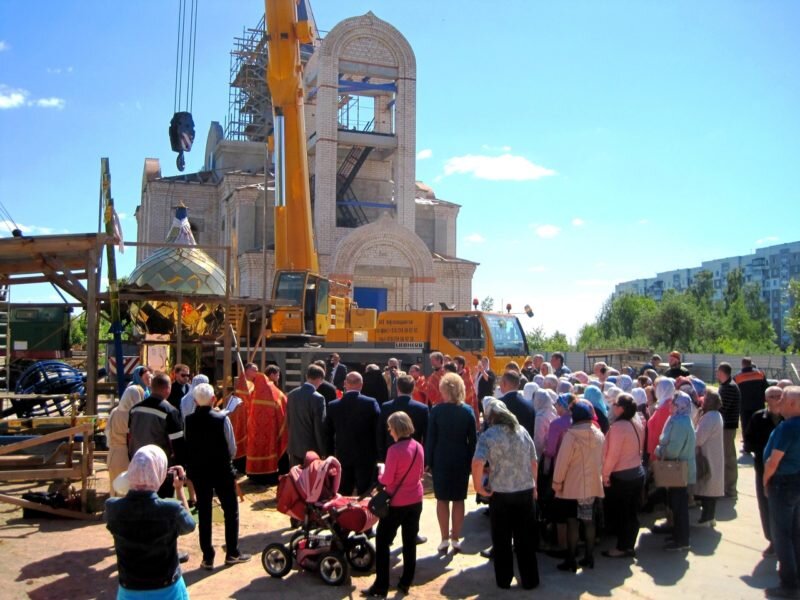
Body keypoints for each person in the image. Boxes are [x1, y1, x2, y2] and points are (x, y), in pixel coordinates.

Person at [105, 445, 195, 599]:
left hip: (130, 588)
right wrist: (179, 490)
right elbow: (190, 525)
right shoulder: (171, 509)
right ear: (159, 472)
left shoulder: (113, 507)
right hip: (167, 588)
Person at [472, 400, 540, 590]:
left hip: (501, 493)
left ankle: (503, 580)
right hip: (525, 490)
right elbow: (534, 461)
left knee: (501, 539)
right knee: (525, 538)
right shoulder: (522, 431)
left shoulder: (489, 435)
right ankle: (530, 580)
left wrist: (478, 487)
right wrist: (535, 486)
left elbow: (477, 463)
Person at [184, 383, 251, 570]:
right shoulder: (222, 419)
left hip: (200, 472)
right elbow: (232, 448)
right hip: (222, 470)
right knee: (231, 511)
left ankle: (208, 556)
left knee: (204, 512)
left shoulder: (188, 420)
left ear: (196, 401)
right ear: (214, 399)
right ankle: (232, 552)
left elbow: (189, 445)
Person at [362, 412, 425, 598]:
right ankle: (406, 581)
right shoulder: (418, 446)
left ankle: (381, 585)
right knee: (409, 541)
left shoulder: (394, 451)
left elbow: (388, 479)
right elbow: (420, 472)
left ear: (396, 429)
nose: (389, 432)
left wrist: (380, 475)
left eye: (390, 428)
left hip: (397, 502)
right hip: (416, 499)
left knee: (382, 541)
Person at [551, 399, 605, 571]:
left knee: (572, 523)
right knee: (589, 522)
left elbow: (562, 463)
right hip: (591, 486)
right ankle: (589, 557)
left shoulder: (571, 436)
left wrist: (556, 483)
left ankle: (571, 559)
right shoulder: (599, 434)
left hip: (572, 487)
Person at [426, 372, 477, 553]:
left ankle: (444, 539)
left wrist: (428, 461)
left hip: (441, 459)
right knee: (458, 499)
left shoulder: (437, 411)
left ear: (443, 389)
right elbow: (473, 440)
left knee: (442, 499)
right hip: (461, 459)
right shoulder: (468, 411)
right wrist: (473, 463)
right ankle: (456, 538)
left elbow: (430, 439)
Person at [763, 386, 800, 599]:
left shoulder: (788, 427)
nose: (779, 402)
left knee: (781, 535)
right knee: (795, 531)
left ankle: (789, 584)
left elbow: (773, 461)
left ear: (793, 404)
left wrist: (766, 480)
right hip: (795, 482)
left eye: (783, 399)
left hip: (783, 484)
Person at [128, 372, 185, 499]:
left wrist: (131, 458)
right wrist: (180, 467)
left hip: (137, 464)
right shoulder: (170, 411)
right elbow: (178, 444)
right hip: (161, 469)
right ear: (167, 388)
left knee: (139, 502)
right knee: (162, 504)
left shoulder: (135, 409)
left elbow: (130, 437)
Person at [602, 393, 645, 558]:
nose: (613, 407)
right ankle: (628, 545)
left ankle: (622, 547)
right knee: (632, 513)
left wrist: (605, 475)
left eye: (616, 404)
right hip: (636, 472)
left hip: (623, 476)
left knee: (623, 513)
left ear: (622, 408)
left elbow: (613, 455)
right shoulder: (636, 423)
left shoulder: (619, 427)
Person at [744, 385, 784, 556]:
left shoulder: (789, 418)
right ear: (766, 399)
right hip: (763, 467)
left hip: (786, 470)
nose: (776, 398)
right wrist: (766, 451)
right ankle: (772, 540)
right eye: (772, 395)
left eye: (779, 395)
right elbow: (748, 442)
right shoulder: (758, 417)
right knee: (765, 505)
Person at [654, 392, 697, 552]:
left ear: (680, 405)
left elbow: (673, 451)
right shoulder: (681, 419)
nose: (670, 405)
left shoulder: (679, 423)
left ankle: (682, 540)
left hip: (678, 471)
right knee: (676, 504)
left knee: (679, 506)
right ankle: (678, 534)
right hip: (679, 470)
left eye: (673, 403)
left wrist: (659, 450)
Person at [326, 371, 381, 495]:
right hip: (366, 456)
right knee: (364, 493)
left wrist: (329, 454)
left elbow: (328, 434)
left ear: (345, 384)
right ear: (361, 385)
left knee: (343, 492)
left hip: (343, 455)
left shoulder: (333, 406)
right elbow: (378, 430)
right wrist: (379, 454)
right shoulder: (370, 403)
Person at [246, 369, 288, 480]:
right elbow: (284, 405)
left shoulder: (254, 394)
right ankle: (270, 475)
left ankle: (254, 475)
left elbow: (249, 413)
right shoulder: (274, 392)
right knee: (270, 448)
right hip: (270, 430)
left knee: (256, 450)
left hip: (255, 431)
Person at [376, 375, 429, 462]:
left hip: (391, 453)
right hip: (413, 454)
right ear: (413, 388)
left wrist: (382, 456)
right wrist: (424, 458)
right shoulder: (422, 409)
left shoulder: (386, 406)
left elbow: (380, 432)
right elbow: (426, 435)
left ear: (398, 388)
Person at [693, 388, 724, 527]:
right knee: (711, 487)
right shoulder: (715, 415)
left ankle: (706, 518)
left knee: (707, 488)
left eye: (705, 399)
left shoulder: (709, 417)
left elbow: (699, 439)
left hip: (707, 455)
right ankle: (710, 517)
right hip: (713, 455)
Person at [285, 364, 327, 466]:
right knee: (309, 479)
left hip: (294, 446)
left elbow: (288, 420)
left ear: (307, 376)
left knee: (295, 477)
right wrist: (323, 451)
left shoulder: (291, 394)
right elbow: (319, 427)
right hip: (311, 449)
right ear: (320, 379)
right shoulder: (318, 398)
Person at [107, 385, 144, 496]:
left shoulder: (114, 412)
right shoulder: (135, 415)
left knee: (115, 488)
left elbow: (108, 433)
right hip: (128, 456)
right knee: (127, 491)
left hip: (113, 454)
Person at [717, 362, 741, 498]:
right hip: (727, 426)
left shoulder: (729, 388)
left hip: (728, 427)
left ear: (721, 372)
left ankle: (730, 489)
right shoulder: (726, 386)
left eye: (717, 372)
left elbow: (722, 408)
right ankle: (727, 487)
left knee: (729, 458)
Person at [734, 357, 769, 438]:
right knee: (759, 424)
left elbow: (735, 391)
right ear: (751, 363)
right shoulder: (760, 374)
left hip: (744, 406)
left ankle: (746, 446)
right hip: (759, 405)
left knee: (746, 425)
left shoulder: (738, 376)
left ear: (742, 364)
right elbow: (766, 388)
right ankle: (759, 443)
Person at [497, 370, 535, 438]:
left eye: (500, 382)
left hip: (503, 447)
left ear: (504, 383)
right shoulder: (530, 406)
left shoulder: (498, 405)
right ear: (519, 385)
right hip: (524, 446)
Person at [454, 356, 480, 429]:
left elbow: (469, 394)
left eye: (455, 363)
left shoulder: (467, 377)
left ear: (461, 365)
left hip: (465, 406)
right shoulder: (453, 375)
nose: (454, 365)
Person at [533, 389, 558, 460]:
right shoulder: (553, 410)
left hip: (544, 454)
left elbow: (538, 441)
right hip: (554, 449)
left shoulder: (540, 417)